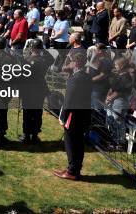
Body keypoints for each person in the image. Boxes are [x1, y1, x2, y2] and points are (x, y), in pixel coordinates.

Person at [53, 53, 92, 181]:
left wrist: (62, 116)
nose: (67, 64)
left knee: (71, 143)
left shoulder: (75, 78)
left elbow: (68, 100)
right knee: (79, 143)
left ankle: (71, 171)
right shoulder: (87, 77)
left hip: (73, 115)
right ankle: (75, 169)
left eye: (69, 62)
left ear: (75, 63)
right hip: (83, 114)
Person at [20, 39, 53, 144]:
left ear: (32, 48)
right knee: (37, 112)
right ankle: (34, 135)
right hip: (40, 89)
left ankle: (27, 135)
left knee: (27, 113)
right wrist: (43, 48)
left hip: (28, 89)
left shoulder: (26, 60)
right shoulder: (44, 60)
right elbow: (51, 59)